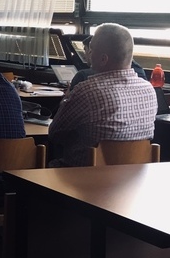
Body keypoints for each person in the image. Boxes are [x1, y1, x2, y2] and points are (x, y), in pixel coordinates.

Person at [48, 23, 156, 167]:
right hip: (133, 176)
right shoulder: (149, 90)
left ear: (103, 59)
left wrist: (66, 100)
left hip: (83, 176)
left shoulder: (87, 91)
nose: (89, 54)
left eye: (91, 49)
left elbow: (54, 133)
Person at [69, 34, 147, 93]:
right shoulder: (142, 78)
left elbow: (67, 107)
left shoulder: (83, 76)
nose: (85, 56)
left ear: (93, 51)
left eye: (86, 50)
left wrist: (69, 92)